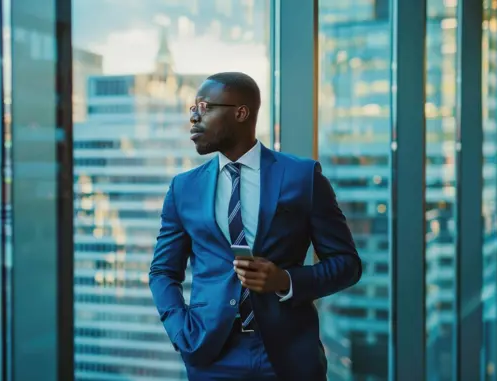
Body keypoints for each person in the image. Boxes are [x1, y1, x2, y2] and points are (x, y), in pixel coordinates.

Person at [148, 71, 362, 381]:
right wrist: (182, 331)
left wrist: (285, 281)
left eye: (205, 106)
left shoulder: (302, 176)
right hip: (211, 355)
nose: (194, 116)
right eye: (192, 108)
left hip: (288, 356)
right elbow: (162, 272)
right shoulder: (184, 189)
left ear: (241, 112)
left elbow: (347, 264)